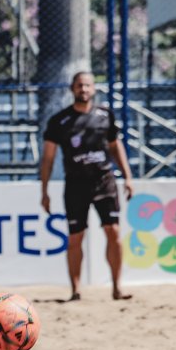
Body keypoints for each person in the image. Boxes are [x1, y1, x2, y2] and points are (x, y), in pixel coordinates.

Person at [39, 71, 134, 301]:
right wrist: (44, 190)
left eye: (88, 86)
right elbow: (49, 158)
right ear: (72, 89)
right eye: (79, 85)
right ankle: (76, 289)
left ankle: (117, 287)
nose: (84, 90)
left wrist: (128, 176)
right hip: (75, 184)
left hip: (104, 180)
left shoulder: (105, 115)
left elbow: (115, 146)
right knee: (75, 238)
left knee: (113, 232)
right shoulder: (59, 121)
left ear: (94, 89)